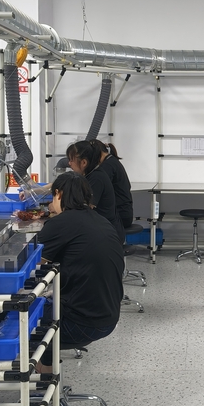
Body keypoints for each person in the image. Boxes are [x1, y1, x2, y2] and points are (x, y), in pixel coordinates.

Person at [35, 172, 124, 371]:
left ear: (59, 194)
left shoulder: (61, 223)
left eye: (52, 197)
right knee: (45, 304)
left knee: (17, 319)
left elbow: (31, 265)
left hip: (82, 323)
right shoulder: (100, 220)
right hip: (108, 317)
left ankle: (45, 377)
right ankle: (47, 374)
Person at [66, 140, 125, 243]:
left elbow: (85, 208)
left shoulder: (96, 179)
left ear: (84, 163)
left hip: (108, 234)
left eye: (71, 160)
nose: (69, 163)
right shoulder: (89, 176)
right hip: (100, 229)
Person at [90, 139, 134, 230]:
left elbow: (97, 191)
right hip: (124, 213)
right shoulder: (112, 161)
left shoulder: (107, 166)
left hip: (119, 216)